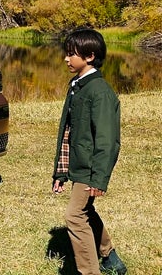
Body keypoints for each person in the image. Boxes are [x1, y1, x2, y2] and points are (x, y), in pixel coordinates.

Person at [52, 29, 127, 275]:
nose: (66, 59)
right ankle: (110, 258)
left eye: (71, 54)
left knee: (74, 216)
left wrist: (99, 179)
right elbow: (68, 132)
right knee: (85, 211)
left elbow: (108, 141)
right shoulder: (78, 86)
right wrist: (61, 172)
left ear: (90, 56)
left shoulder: (99, 92)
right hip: (79, 163)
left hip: (91, 168)